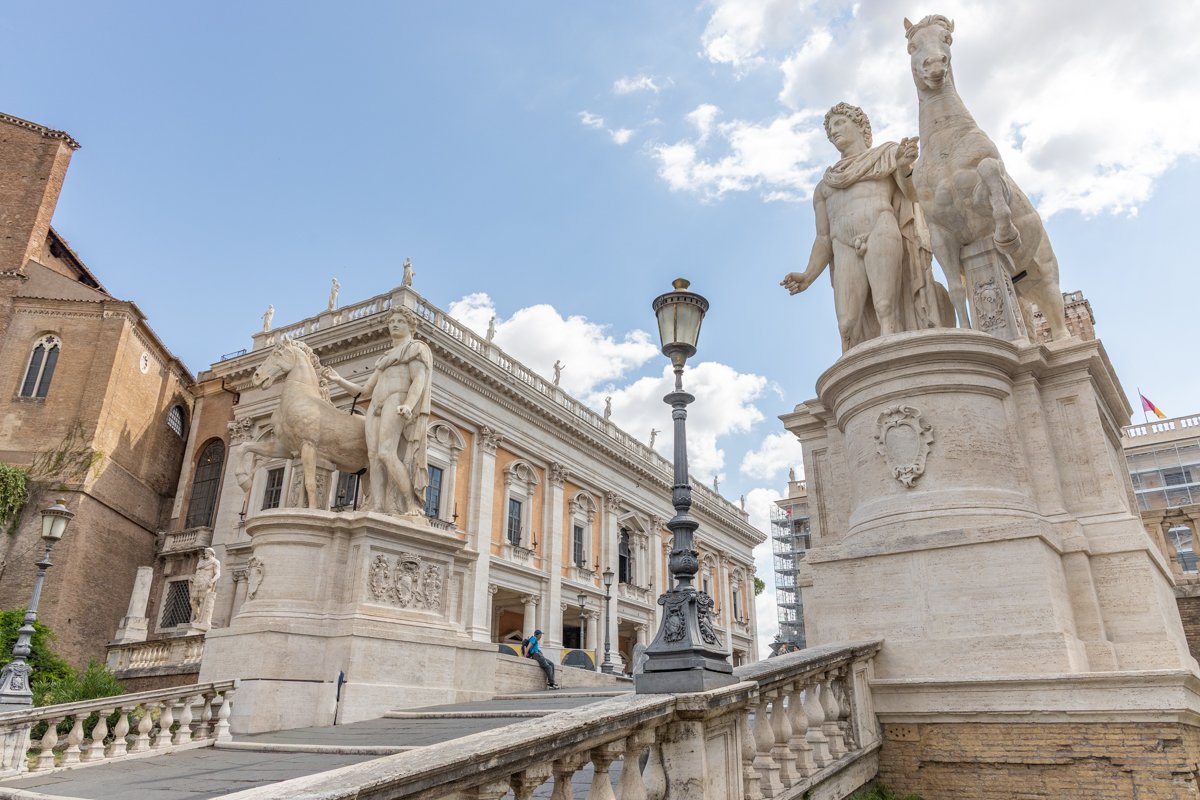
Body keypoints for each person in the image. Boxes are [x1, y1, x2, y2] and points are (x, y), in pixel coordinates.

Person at [781, 102, 948, 352]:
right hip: (843, 244)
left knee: (885, 308)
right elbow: (823, 238)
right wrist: (808, 275)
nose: (834, 132)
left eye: (840, 123)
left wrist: (904, 167)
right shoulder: (825, 186)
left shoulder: (886, 156)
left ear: (860, 125)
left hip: (881, 228)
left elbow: (912, 195)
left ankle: (893, 366)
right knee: (847, 324)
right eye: (829, 129)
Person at [323, 308, 432, 515]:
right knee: (373, 457)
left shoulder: (415, 348)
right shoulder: (385, 358)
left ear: (411, 326)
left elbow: (419, 379)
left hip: (396, 399)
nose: (394, 324)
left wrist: (409, 404)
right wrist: (338, 380)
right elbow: (364, 390)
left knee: (386, 452)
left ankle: (410, 505)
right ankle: (378, 506)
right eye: (392, 321)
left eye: (400, 321)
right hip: (375, 405)